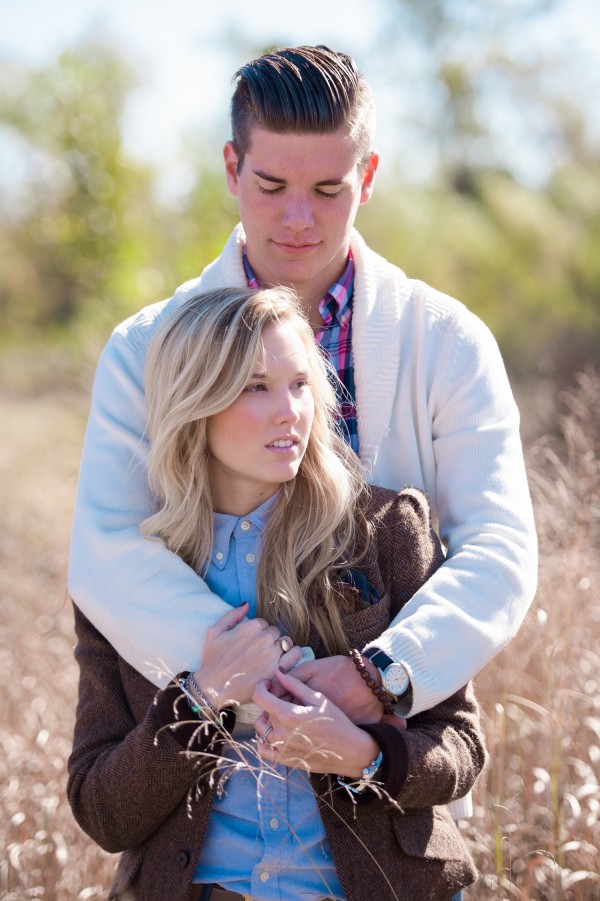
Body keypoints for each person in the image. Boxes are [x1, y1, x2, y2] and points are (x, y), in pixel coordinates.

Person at [68, 44, 536, 747]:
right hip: (209, 764)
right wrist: (262, 680)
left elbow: (499, 546)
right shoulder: (145, 348)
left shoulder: (449, 342)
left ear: (369, 176)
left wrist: (381, 674)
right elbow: (107, 547)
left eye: (327, 190)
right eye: (271, 184)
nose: (297, 218)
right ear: (231, 168)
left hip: (384, 770)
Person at [67, 286, 487, 900]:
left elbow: (461, 745)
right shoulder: (126, 574)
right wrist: (201, 698)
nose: (289, 410)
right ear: (195, 402)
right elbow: (101, 810)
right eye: (255, 387)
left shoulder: (387, 530)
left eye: (298, 384)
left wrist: (363, 756)